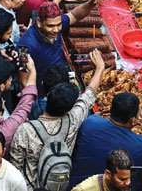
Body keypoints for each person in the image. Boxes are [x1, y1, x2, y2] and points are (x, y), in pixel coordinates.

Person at [9, 49, 105, 190]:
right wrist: (100, 68)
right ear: (68, 109)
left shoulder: (25, 129)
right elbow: (89, 95)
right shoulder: (73, 120)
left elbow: (15, 167)